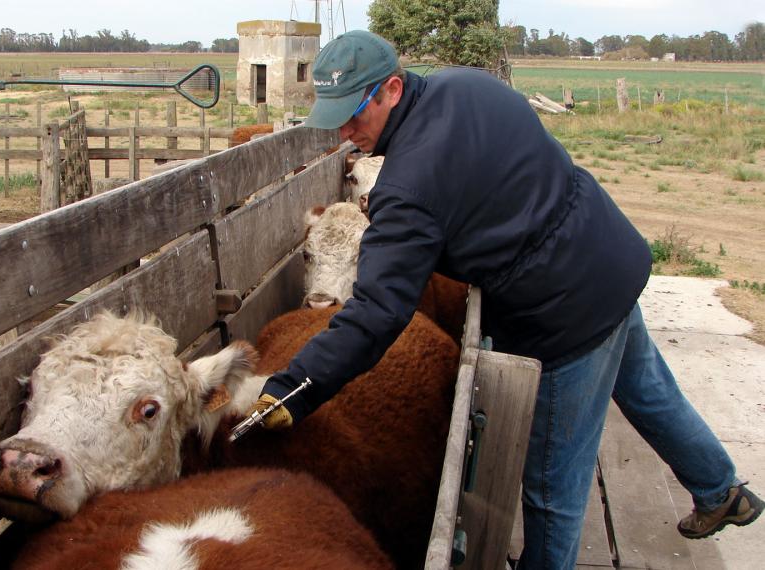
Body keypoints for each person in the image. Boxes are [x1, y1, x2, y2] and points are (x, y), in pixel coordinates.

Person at [244, 30, 763, 568]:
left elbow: (377, 312)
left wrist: (293, 389)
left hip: (564, 314)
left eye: (355, 115)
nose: (347, 133)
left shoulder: (407, 188)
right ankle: (721, 492)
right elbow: (497, 175)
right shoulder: (467, 86)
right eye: (335, 117)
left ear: (392, 90)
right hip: (607, 257)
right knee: (650, 393)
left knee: (550, 483)